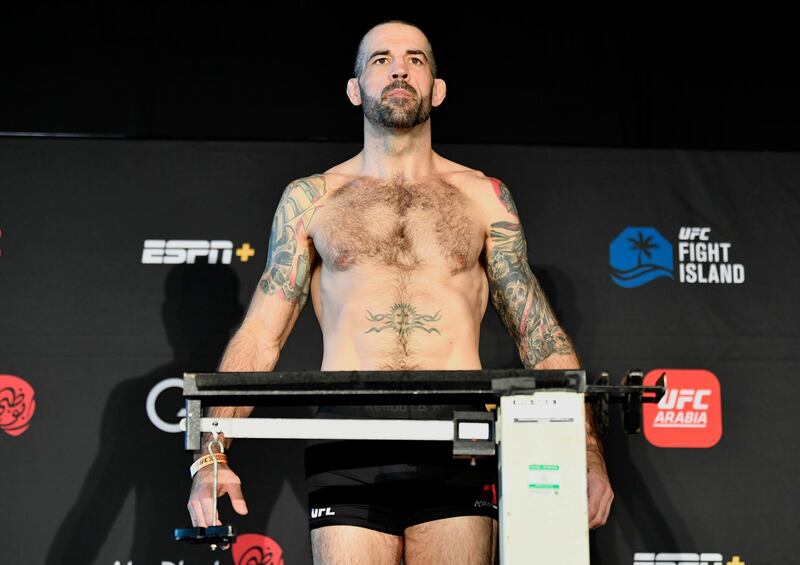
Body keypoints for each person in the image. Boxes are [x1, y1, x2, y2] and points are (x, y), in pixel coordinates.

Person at [186, 19, 613, 564]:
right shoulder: (313, 199)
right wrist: (212, 455)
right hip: (349, 434)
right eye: (380, 59)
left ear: (437, 87)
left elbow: (538, 334)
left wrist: (587, 455)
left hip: (460, 436)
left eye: (415, 59)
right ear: (355, 87)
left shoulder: (484, 197)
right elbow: (262, 336)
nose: (398, 68)